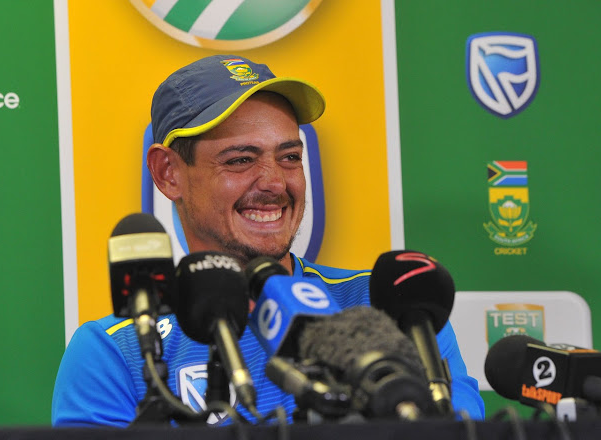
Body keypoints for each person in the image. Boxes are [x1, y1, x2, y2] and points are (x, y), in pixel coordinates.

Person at [51, 55, 485, 427]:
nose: (275, 183)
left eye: (290, 157)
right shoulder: (119, 350)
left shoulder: (396, 308)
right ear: (168, 172)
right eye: (240, 159)